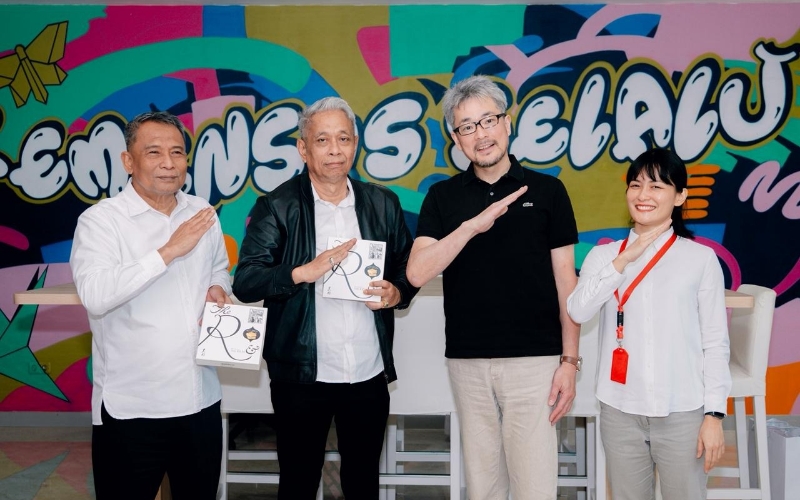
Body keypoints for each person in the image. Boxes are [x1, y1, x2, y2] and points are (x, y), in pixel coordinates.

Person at [232, 96, 418, 500]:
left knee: (363, 482)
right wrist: (302, 272)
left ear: (355, 145)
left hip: (367, 371)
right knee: (298, 483)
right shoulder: (276, 206)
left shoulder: (382, 202)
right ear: (303, 148)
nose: (335, 150)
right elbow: (245, 280)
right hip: (301, 375)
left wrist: (397, 291)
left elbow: (408, 264)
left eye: (344, 139)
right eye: (322, 140)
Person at [406, 75, 581, 500]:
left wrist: (570, 361)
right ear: (456, 139)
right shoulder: (442, 197)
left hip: (535, 362)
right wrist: (470, 227)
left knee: (535, 488)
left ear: (507, 122)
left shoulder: (548, 191)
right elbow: (416, 273)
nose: (481, 134)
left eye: (488, 120)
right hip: (467, 362)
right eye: (467, 126)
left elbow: (567, 283)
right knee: (483, 487)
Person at [69, 111, 232, 500]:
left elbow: (219, 268)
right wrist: (168, 251)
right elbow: (96, 294)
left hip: (200, 400)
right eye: (154, 152)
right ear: (129, 161)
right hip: (132, 408)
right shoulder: (101, 221)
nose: (168, 163)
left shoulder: (201, 212)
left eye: (177, 152)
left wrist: (218, 288)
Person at [567, 148, 731, 500]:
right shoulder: (604, 256)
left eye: (657, 186)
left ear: (680, 196)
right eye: (636, 185)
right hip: (619, 409)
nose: (643, 195)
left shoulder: (700, 259)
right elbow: (578, 311)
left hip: (682, 410)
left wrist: (714, 415)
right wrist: (623, 260)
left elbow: (715, 342)